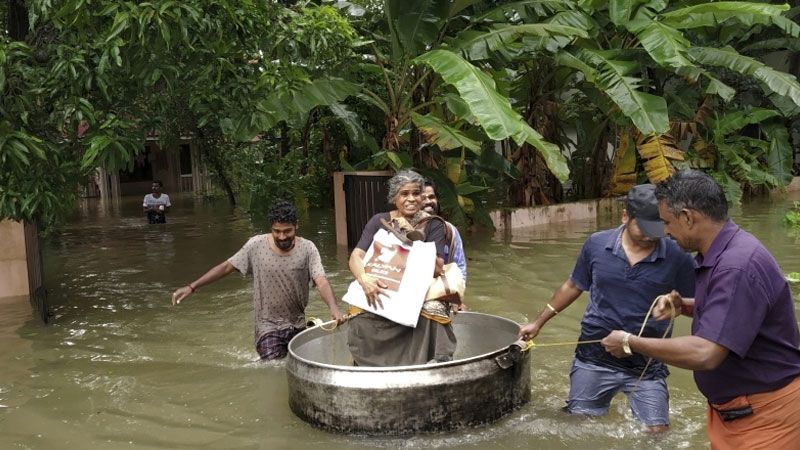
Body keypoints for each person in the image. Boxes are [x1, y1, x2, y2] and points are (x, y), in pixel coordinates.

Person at [602, 170, 800, 448]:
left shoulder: (736, 266)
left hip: (766, 418)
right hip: (736, 413)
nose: (666, 231)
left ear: (687, 217)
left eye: (667, 222)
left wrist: (629, 341)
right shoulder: (725, 252)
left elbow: (706, 353)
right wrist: (684, 306)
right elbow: (737, 311)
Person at [518, 184, 696, 431]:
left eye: (659, 228)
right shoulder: (597, 244)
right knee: (579, 427)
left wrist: (678, 304)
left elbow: (700, 304)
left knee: (657, 434)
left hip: (646, 363)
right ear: (625, 216)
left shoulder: (678, 255)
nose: (651, 236)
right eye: (643, 228)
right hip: (595, 356)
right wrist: (538, 322)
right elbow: (573, 285)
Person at [171, 200, 344, 360]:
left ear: (296, 226)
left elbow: (321, 281)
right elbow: (226, 267)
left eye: (287, 231)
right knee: (272, 369)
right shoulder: (255, 245)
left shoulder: (308, 248)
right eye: (277, 231)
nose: (282, 237)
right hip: (267, 327)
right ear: (271, 228)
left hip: (297, 325)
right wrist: (192, 287)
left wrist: (333, 308)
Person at [347, 170, 455, 366]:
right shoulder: (378, 221)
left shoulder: (433, 224)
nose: (411, 199)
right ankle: (366, 364)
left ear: (423, 197)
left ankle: (437, 362)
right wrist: (364, 279)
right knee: (358, 311)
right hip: (387, 283)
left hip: (418, 289)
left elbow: (438, 268)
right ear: (394, 198)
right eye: (404, 194)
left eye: (416, 193)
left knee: (435, 308)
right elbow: (356, 256)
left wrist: (411, 235)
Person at [421, 180, 467, 282]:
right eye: (423, 198)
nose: (428, 201)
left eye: (431, 197)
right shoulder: (404, 230)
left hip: (439, 292)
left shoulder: (449, 230)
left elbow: (460, 270)